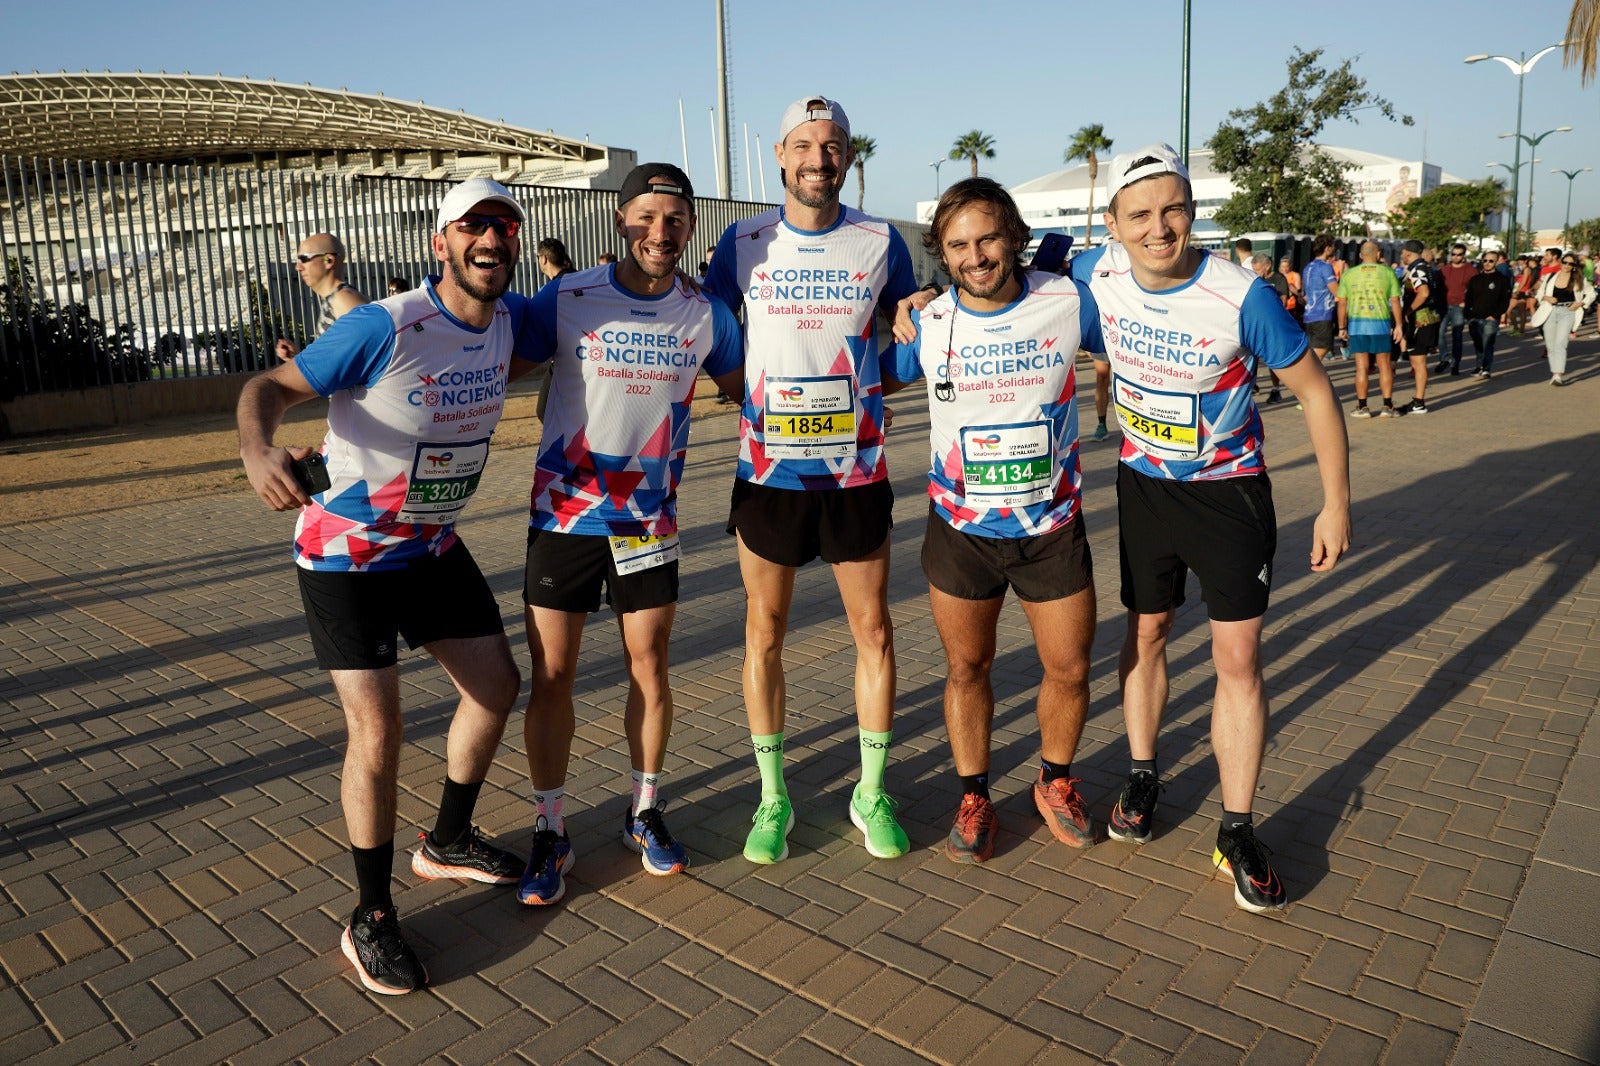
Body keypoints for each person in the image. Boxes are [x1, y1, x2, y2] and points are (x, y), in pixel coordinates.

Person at [237, 178, 535, 994]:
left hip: (432, 548)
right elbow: (267, 389)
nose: (490, 240)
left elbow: (600, 314)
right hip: (345, 556)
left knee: (496, 687)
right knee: (379, 730)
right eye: (472, 228)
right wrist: (258, 451)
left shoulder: (512, 321)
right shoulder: (387, 324)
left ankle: (446, 841)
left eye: (503, 227)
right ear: (441, 243)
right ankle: (370, 914)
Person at [1071, 144, 1349, 913]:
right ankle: (1142, 774)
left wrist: (1335, 502)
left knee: (1238, 657)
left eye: (1174, 209)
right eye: (1140, 215)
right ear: (1113, 225)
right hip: (1143, 487)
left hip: (1230, 497)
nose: (1159, 228)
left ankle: (1236, 827)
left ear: (1192, 211)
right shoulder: (1097, 271)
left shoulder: (1242, 296)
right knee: (1148, 631)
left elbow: (1318, 395)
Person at [513, 164, 744, 904]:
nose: (661, 231)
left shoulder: (705, 313)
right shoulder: (570, 294)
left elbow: (756, 393)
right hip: (563, 518)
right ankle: (550, 827)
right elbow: (491, 361)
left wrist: (868, 406)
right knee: (553, 676)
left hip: (648, 524)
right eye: (647, 217)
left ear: (689, 228)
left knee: (651, 669)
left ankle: (644, 812)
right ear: (620, 222)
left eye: (675, 219)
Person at [703, 94, 919, 864]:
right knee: (765, 634)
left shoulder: (879, 240)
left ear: (848, 159)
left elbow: (909, 330)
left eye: (831, 146)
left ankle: (871, 790)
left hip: (857, 475)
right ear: (781, 158)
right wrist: (746, 395)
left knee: (876, 631)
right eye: (803, 145)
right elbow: (703, 331)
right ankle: (772, 798)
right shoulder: (741, 242)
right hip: (769, 478)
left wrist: (882, 369)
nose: (817, 159)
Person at [882, 178, 1104, 863]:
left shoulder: (1069, 300)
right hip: (960, 531)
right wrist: (902, 307)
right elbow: (877, 375)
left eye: (987, 238)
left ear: (1013, 237)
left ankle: (1054, 780)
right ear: (941, 255)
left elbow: (1137, 296)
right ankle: (973, 793)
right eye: (958, 246)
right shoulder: (928, 322)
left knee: (1068, 669)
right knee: (966, 668)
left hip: (1051, 526)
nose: (975, 255)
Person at [275, 233, 367, 361]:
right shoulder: (335, 299)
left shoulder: (343, 300)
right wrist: (296, 359)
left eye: (304, 259)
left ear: (329, 260)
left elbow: (369, 355)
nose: (298, 267)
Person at [1336, 240, 1403, 418]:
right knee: (1384, 366)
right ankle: (1387, 406)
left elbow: (1342, 302)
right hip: (1380, 325)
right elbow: (1395, 301)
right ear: (1379, 254)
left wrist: (1342, 326)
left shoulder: (1349, 274)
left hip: (1357, 326)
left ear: (1360, 255)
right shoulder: (1388, 272)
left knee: (1361, 367)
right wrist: (1399, 326)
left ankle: (1362, 407)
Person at [532, 238, 578, 422]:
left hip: (564, 361)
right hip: (592, 359)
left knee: (545, 411)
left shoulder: (551, 290)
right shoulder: (582, 280)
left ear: (543, 259)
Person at [1530, 251, 1593, 386]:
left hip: (1568, 312)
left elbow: (1591, 293)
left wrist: (1581, 303)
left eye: (1570, 263)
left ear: (1574, 266)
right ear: (1561, 262)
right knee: (1551, 344)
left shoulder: (1579, 280)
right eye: (1565, 262)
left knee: (1560, 343)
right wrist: (1546, 297)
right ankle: (1554, 372)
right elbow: (1539, 293)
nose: (1567, 265)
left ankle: (1558, 375)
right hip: (1550, 311)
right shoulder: (1549, 277)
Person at [1396, 240, 1435, 414]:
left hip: (1421, 320)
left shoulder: (1417, 269)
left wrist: (1408, 311)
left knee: (1418, 361)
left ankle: (1419, 402)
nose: (1401, 256)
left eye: (1402, 253)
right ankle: (1418, 400)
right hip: (1425, 319)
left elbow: (1424, 292)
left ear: (1407, 252)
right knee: (1417, 360)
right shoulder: (1422, 267)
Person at [1464, 252, 1512, 379]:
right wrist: (1468, 316)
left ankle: (1486, 368)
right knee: (1478, 343)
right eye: (1485, 260)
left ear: (1496, 262)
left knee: (1488, 343)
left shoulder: (1502, 279)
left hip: (1491, 318)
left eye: (1491, 261)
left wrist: (1496, 315)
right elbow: (1468, 298)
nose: (1487, 263)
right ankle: (1479, 365)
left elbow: (1505, 300)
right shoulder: (1475, 279)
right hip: (1475, 318)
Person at [1250, 253, 1289, 404]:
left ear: (1268, 266)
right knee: (1252, 359)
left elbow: (1283, 302)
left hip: (1273, 326)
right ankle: (1252, 385)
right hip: (1256, 325)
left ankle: (1275, 389)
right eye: (1254, 270)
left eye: (1258, 269)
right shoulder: (1255, 280)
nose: (1256, 273)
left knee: (1272, 361)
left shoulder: (1278, 279)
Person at [1435, 243, 1476, 375]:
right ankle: (1444, 358)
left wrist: (1467, 302)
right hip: (1444, 306)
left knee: (1457, 336)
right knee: (1440, 333)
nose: (1456, 257)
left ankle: (1455, 363)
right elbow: (1438, 288)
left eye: (1459, 254)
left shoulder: (1470, 270)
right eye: (1453, 254)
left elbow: (1475, 289)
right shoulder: (1444, 270)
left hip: (1459, 306)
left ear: (1464, 256)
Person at [1301, 236, 1340, 361]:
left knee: (1312, 349)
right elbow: (1336, 291)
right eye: (1333, 246)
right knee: (1322, 349)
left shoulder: (1308, 267)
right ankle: (1308, 376)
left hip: (1309, 314)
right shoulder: (1325, 267)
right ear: (1327, 249)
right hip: (1322, 314)